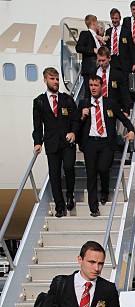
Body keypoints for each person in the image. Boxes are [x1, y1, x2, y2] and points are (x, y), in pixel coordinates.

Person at [77, 75, 135, 216]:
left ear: (101, 86)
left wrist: (132, 130)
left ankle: (104, 191)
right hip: (90, 142)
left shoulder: (110, 103)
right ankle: (93, 208)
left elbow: (123, 118)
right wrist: (81, 116)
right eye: (91, 85)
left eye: (96, 85)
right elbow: (75, 124)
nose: (93, 88)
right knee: (91, 175)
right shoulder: (83, 104)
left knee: (103, 168)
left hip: (106, 143)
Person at [32, 67, 79, 217]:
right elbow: (38, 126)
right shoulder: (39, 101)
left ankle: (70, 195)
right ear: (45, 80)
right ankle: (59, 206)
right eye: (52, 79)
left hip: (67, 141)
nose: (56, 82)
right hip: (52, 143)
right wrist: (37, 142)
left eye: (57, 79)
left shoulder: (67, 99)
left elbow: (76, 119)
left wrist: (73, 132)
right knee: (54, 174)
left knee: (69, 167)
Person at [96, 46, 132, 113]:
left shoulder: (117, 74)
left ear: (109, 58)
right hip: (97, 110)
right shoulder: (94, 73)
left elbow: (124, 93)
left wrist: (126, 110)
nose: (101, 63)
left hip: (113, 110)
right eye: (99, 60)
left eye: (103, 60)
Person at [75, 15, 104, 97]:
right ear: (94, 23)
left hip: (99, 70)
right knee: (89, 93)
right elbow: (79, 47)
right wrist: (93, 50)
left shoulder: (97, 37)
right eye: (97, 22)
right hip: (90, 69)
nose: (98, 24)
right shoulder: (86, 34)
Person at [105, 8, 131, 74]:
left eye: (116, 18)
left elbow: (132, 48)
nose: (114, 20)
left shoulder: (126, 31)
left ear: (120, 18)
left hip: (123, 62)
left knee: (124, 83)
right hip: (111, 61)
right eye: (112, 18)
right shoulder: (108, 31)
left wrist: (134, 63)